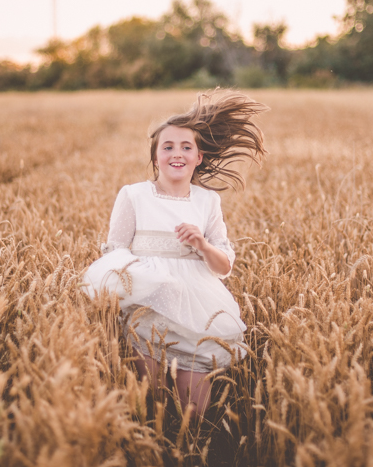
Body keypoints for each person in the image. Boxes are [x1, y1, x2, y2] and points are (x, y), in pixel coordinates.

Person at [83, 89, 268, 416]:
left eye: (186, 147)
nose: (176, 153)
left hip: (197, 309)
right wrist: (146, 284)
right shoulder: (134, 196)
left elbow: (223, 266)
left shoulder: (208, 201)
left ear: (199, 157)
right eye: (167, 147)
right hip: (147, 308)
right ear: (156, 158)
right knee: (150, 402)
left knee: (194, 409)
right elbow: (115, 254)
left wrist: (202, 245)